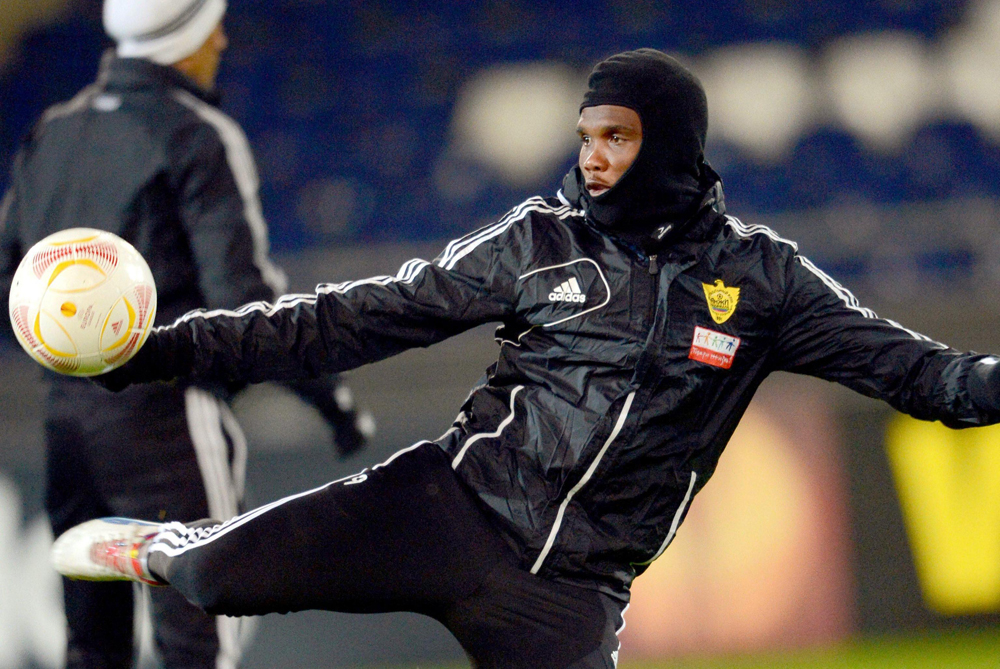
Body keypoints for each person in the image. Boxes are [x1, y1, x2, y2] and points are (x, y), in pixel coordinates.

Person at [47, 48, 1000, 669]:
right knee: (214, 579)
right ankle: (158, 544)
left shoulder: (766, 281)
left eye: (616, 137)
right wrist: (160, 349)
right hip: (445, 509)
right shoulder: (538, 240)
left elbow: (931, 379)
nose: (592, 158)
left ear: (671, 145)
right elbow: (353, 319)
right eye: (586, 136)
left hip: (573, 594)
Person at [0, 1, 372, 667]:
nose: (222, 39)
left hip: (67, 420)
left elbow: (13, 279)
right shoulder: (194, 132)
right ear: (186, 36)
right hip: (167, 415)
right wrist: (328, 397)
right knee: (198, 639)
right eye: (212, 24)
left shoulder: (53, 132)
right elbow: (246, 305)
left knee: (92, 645)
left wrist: (74, 359)